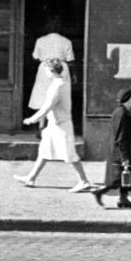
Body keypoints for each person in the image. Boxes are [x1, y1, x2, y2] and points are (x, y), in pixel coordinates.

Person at [16, 59, 95, 193]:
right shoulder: (58, 83)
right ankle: (31, 178)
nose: (45, 71)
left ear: (51, 71)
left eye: (46, 68)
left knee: (70, 154)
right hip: (54, 124)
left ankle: (84, 181)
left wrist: (32, 119)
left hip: (62, 126)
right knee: (44, 151)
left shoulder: (58, 85)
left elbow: (48, 106)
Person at [93, 88, 131, 210]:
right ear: (127, 99)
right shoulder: (122, 114)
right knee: (117, 178)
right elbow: (121, 137)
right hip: (120, 151)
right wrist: (125, 157)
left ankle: (123, 199)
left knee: (126, 176)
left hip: (119, 149)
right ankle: (99, 191)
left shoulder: (120, 111)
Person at [27, 19, 74, 115]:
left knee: (43, 93)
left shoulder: (40, 40)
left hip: (45, 68)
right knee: (59, 92)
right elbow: (70, 60)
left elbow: (35, 57)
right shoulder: (66, 41)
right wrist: (73, 74)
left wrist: (46, 59)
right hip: (60, 68)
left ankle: (42, 121)